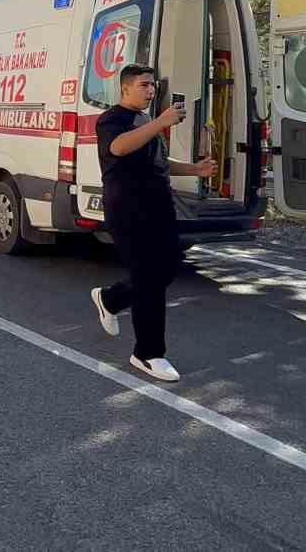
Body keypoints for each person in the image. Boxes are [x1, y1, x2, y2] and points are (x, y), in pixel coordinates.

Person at [89, 64, 216, 383]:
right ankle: (148, 353)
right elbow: (118, 148)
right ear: (125, 88)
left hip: (159, 206)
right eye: (144, 85)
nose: (150, 91)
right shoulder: (112, 119)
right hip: (129, 210)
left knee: (168, 267)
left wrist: (195, 170)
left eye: (153, 87)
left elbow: (159, 162)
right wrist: (160, 122)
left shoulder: (145, 122)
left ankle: (111, 298)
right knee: (148, 277)